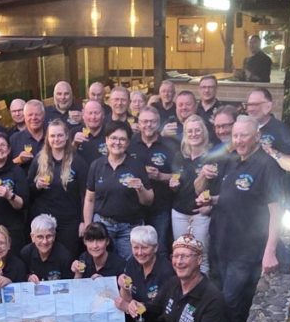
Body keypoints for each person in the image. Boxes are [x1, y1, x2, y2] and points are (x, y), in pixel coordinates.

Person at [205, 116, 283, 322]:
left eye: (244, 135)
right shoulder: (232, 161)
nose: (238, 140)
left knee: (232, 302)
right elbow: (234, 197)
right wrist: (212, 200)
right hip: (220, 244)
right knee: (219, 298)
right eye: (235, 135)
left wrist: (270, 251)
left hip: (245, 250)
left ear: (257, 136)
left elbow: (277, 211)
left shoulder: (267, 166)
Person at [83, 123, 153, 260]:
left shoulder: (137, 165)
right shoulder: (96, 165)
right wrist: (88, 226)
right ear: (106, 140)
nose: (117, 142)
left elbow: (148, 201)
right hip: (103, 226)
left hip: (129, 227)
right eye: (113, 138)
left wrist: (140, 188)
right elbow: (89, 199)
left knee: (128, 266)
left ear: (128, 143)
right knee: (102, 263)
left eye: (122, 139)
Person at [114, 225, 175, 322]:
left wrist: (129, 307)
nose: (140, 252)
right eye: (136, 247)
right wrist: (124, 288)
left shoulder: (166, 272)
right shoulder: (132, 263)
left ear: (155, 248)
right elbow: (127, 299)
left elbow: (162, 309)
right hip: (138, 318)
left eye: (145, 248)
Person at [29, 119, 89, 255]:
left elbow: (85, 195)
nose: (56, 139)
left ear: (67, 136)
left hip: (69, 221)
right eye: (52, 136)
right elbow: (28, 191)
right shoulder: (39, 160)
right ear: (47, 138)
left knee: (67, 257)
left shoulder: (78, 161)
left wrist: (83, 221)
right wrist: (37, 186)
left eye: (60, 135)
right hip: (44, 219)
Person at [128, 105, 178, 258]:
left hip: (161, 207)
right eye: (144, 121)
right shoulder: (130, 144)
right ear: (139, 123)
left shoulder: (170, 145)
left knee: (159, 248)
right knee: (136, 251)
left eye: (152, 121)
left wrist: (161, 176)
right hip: (134, 208)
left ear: (158, 122)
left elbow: (180, 175)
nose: (148, 125)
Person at [170, 116, 216, 274]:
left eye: (197, 130)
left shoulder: (212, 158)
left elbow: (215, 189)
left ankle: (202, 289)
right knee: (180, 256)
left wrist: (209, 205)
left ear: (204, 132)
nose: (194, 134)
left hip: (200, 214)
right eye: (190, 131)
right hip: (179, 213)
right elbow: (175, 181)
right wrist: (173, 184)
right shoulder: (179, 156)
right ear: (185, 134)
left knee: (201, 257)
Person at [245, 88, 290, 173]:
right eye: (249, 105)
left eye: (255, 105)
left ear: (268, 106)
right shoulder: (242, 127)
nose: (250, 109)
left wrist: (273, 153)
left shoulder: (280, 130)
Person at [21, 214, 74, 282]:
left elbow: (69, 283)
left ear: (54, 236)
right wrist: (28, 277)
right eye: (40, 237)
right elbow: (20, 277)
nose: (45, 242)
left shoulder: (64, 256)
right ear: (32, 237)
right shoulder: (26, 253)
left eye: (48, 236)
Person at [8, 99, 44, 169]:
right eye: (30, 115)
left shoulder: (52, 136)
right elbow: (5, 168)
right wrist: (19, 160)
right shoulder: (14, 139)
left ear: (43, 115)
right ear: (25, 117)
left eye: (37, 114)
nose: (34, 118)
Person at [72, 100, 109, 166]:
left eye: (96, 113)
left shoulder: (110, 133)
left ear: (103, 115)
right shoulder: (74, 132)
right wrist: (74, 144)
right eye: (90, 113)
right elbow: (64, 157)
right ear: (83, 115)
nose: (93, 117)